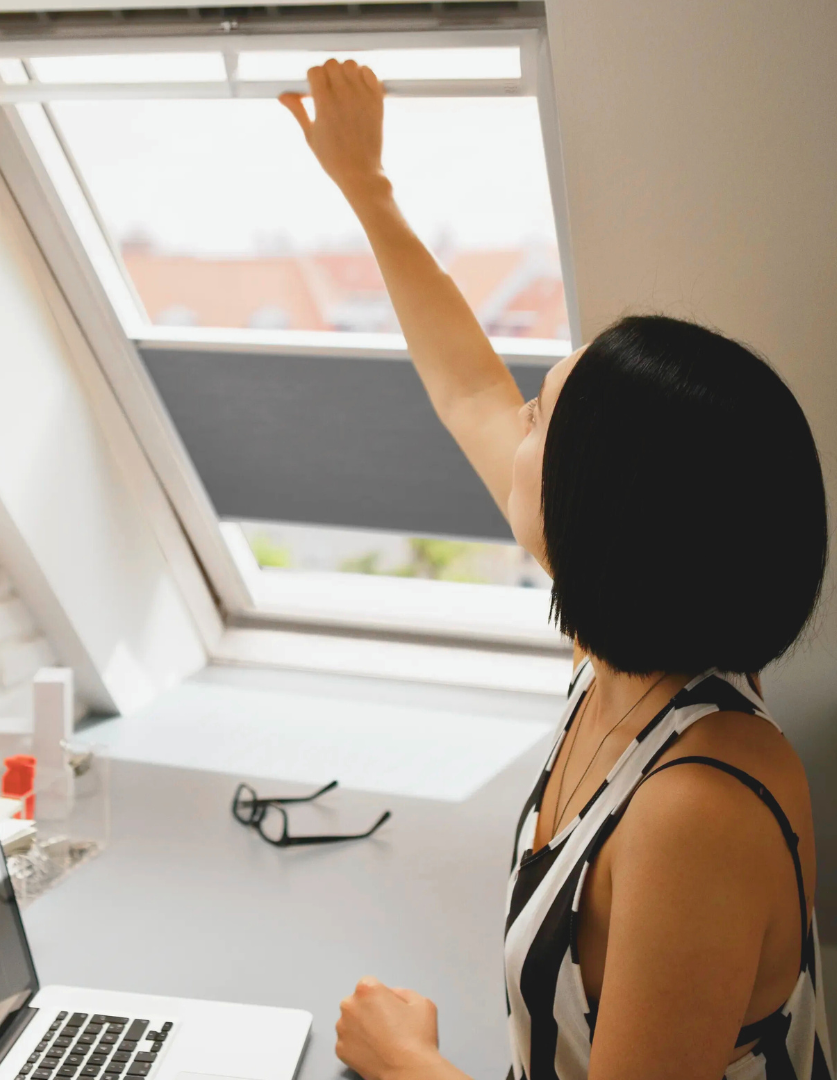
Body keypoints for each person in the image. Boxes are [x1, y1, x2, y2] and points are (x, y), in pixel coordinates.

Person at [279, 60, 831, 1080]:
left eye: (537, 421)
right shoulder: (626, 659)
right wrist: (366, 186)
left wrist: (405, 1060)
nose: (510, 428)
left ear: (600, 519)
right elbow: (464, 387)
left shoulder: (698, 812)